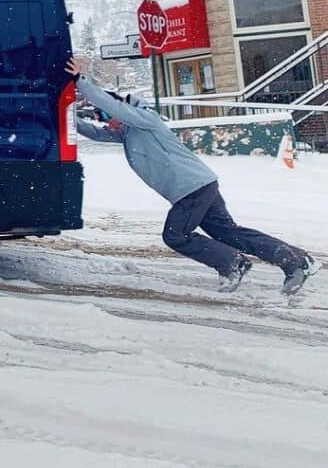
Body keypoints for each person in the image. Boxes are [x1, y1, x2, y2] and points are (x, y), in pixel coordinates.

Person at [65, 58, 321, 294]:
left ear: (119, 113)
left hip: (192, 189)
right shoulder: (129, 135)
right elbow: (93, 132)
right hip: (200, 186)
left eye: (107, 118)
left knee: (175, 235)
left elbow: (113, 106)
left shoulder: (146, 120)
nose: (105, 123)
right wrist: (62, 117)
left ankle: (233, 263)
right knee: (229, 233)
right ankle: (296, 261)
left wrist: (81, 82)